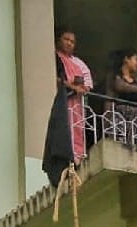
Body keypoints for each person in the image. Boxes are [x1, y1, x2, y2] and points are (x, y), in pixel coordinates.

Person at [54, 28, 93, 162]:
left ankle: (77, 156)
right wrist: (72, 86)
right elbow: (53, 77)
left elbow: (87, 83)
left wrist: (81, 88)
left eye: (72, 41)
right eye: (66, 39)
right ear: (58, 40)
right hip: (61, 99)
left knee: (77, 128)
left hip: (76, 103)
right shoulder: (54, 56)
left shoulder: (78, 63)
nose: (69, 43)